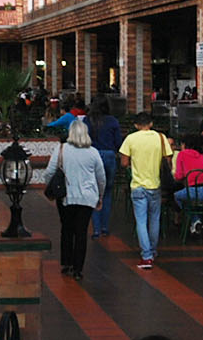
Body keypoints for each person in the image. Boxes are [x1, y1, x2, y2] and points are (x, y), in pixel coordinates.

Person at [54, 118, 108, 279]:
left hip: (66, 197)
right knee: (81, 232)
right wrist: (100, 196)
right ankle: (78, 269)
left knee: (66, 228)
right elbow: (101, 177)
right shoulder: (93, 152)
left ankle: (67, 262)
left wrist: (51, 189)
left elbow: (50, 172)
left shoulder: (61, 149)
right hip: (87, 197)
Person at [119, 111, 173, 270]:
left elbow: (123, 162)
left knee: (141, 221)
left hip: (137, 186)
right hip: (155, 184)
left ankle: (146, 255)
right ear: (151, 124)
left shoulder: (131, 139)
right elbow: (168, 160)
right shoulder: (161, 138)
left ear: (136, 125)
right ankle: (153, 251)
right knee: (154, 219)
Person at [89, 100, 123, 239]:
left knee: (94, 193)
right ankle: (105, 228)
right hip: (109, 157)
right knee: (107, 192)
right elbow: (119, 142)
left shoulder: (88, 120)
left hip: (93, 156)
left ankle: (96, 229)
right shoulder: (113, 121)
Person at [173, 135, 203, 236]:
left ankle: (195, 220)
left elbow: (179, 176)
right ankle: (197, 224)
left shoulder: (182, 154)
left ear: (185, 144)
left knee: (177, 196)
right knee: (193, 200)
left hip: (193, 192)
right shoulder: (202, 155)